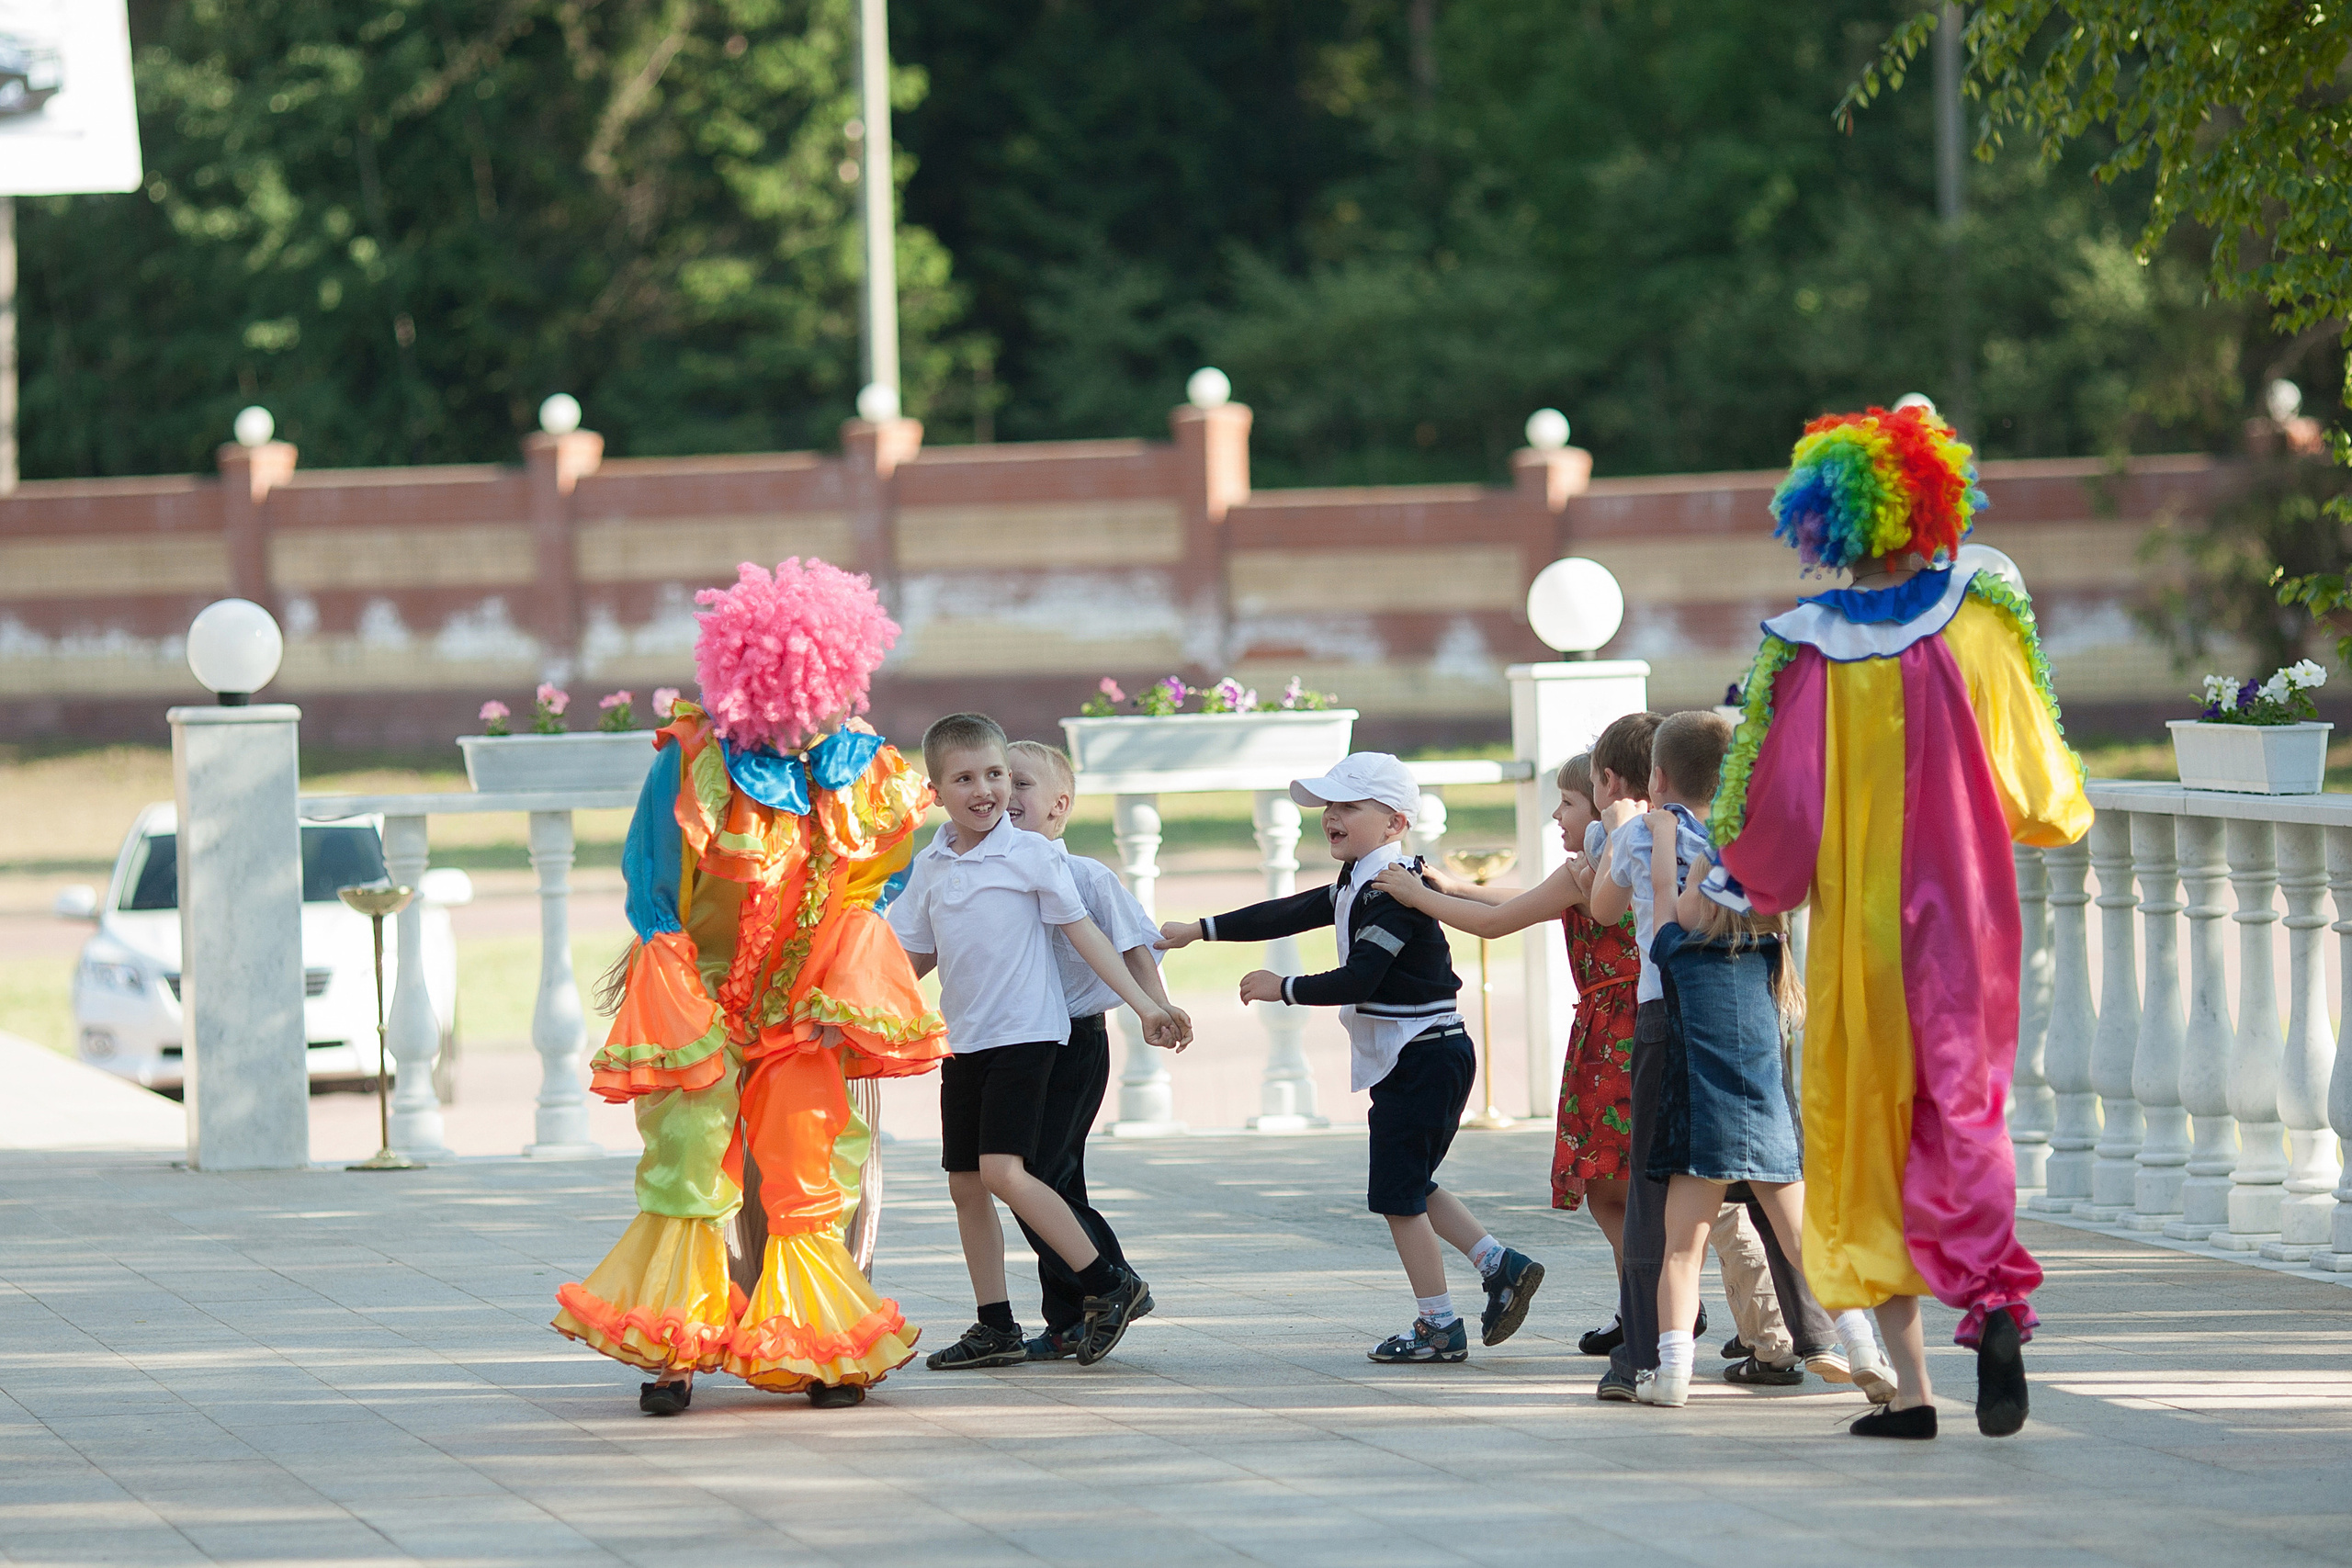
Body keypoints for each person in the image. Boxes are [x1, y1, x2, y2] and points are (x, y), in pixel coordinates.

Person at [1712, 404, 2092, 1438]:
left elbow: (1775, 819)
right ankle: (1999, 1305)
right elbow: (2041, 786)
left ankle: (1914, 1396)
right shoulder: (1978, 620)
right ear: (1932, 503)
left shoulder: (1805, 652)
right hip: (1963, 922)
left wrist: (1744, 883)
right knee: (1961, 1117)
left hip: (1861, 936)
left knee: (1861, 1134)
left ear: (1825, 519)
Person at [553, 558, 948, 1416]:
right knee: (690, 1167)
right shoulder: (693, 762)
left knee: (813, 1175)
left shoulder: (864, 769)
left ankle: (819, 1351)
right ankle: (673, 1352)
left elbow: (868, 888)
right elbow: (653, 890)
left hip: (808, 1012)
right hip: (701, 1000)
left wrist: (841, 1001)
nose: (806, 714)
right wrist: (678, 1000)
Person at [1159, 751, 1544, 1364]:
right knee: (1409, 1184)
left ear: (1394, 823)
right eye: (1328, 806)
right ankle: (1500, 1264)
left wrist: (1281, 987)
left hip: (1424, 1055)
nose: (1330, 816)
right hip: (1425, 1055)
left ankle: (1438, 1325)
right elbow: (1289, 909)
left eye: (1347, 806)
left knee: (1398, 1195)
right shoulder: (1362, 878)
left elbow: (1363, 976)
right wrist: (1199, 928)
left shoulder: (1392, 889)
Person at [1585, 712, 1888, 1405]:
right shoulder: (1754, 856)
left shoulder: (1645, 841)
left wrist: (1620, 834)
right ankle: (1849, 1340)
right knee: (1797, 1217)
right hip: (1759, 1038)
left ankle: (1653, 1365)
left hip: (1675, 1033)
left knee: (1665, 1225)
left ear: (1658, 779)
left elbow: (1612, 908)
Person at [888, 713, 1188, 1371]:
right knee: (966, 1183)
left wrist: (1146, 1006)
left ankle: (1110, 1283)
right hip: (965, 1041)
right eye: (965, 777)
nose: (985, 789)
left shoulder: (1031, 852)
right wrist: (846, 1010)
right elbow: (907, 956)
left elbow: (1088, 936)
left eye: (994, 774)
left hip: (1029, 1038)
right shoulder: (932, 864)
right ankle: (994, 1324)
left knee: (1005, 1171)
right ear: (935, 790)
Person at [1371, 753, 1637, 1341]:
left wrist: (1420, 898)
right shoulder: (1629, 861)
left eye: (1569, 802)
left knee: (1609, 1183)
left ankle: (1649, 1305)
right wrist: (1457, 886)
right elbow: (1527, 901)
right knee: (1633, 1180)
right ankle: (1645, 1306)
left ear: (1605, 802)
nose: (1556, 815)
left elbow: (1500, 923)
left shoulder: (1587, 872)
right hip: (1644, 1024)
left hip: (1613, 1035)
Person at [1630, 711, 1819, 1407]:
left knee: (1682, 1251)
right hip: (1771, 1132)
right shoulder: (1773, 956)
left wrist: (1662, 839)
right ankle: (1863, 1345)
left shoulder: (1677, 953)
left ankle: (1672, 1375)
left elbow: (1660, 904)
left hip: (1701, 1132)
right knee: (1805, 1247)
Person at [1002, 739, 1179, 1359]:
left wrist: (1153, 1006)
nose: (1007, 793)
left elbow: (1133, 943)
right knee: (1050, 1181)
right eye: (1000, 781)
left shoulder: (1087, 876)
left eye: (1022, 783)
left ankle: (1112, 1278)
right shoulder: (993, 872)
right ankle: (1071, 1316)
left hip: (1075, 1042)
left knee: (1041, 1179)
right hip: (1016, 1043)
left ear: (1060, 803)